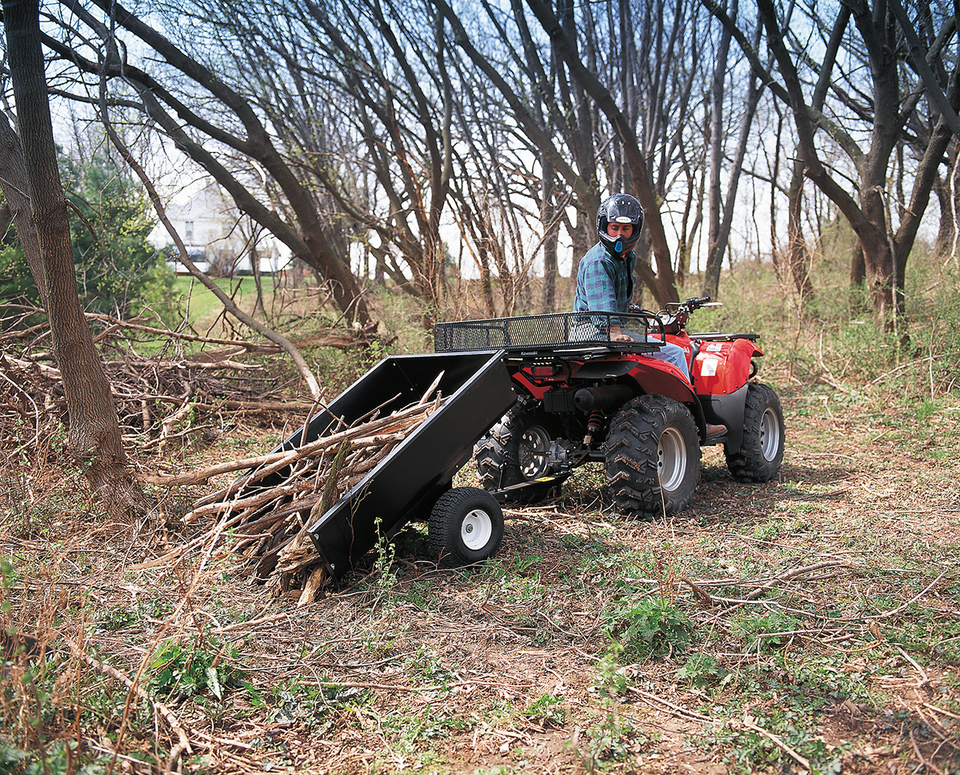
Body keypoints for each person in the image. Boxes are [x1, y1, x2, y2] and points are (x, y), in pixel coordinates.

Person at [573, 193, 689, 374]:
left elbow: (616, 297)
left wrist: (634, 311)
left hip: (607, 331)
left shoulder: (626, 258)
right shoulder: (599, 261)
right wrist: (615, 331)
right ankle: (681, 403)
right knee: (674, 354)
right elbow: (603, 305)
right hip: (592, 333)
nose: (619, 235)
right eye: (614, 228)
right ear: (605, 227)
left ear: (635, 230)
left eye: (625, 228)